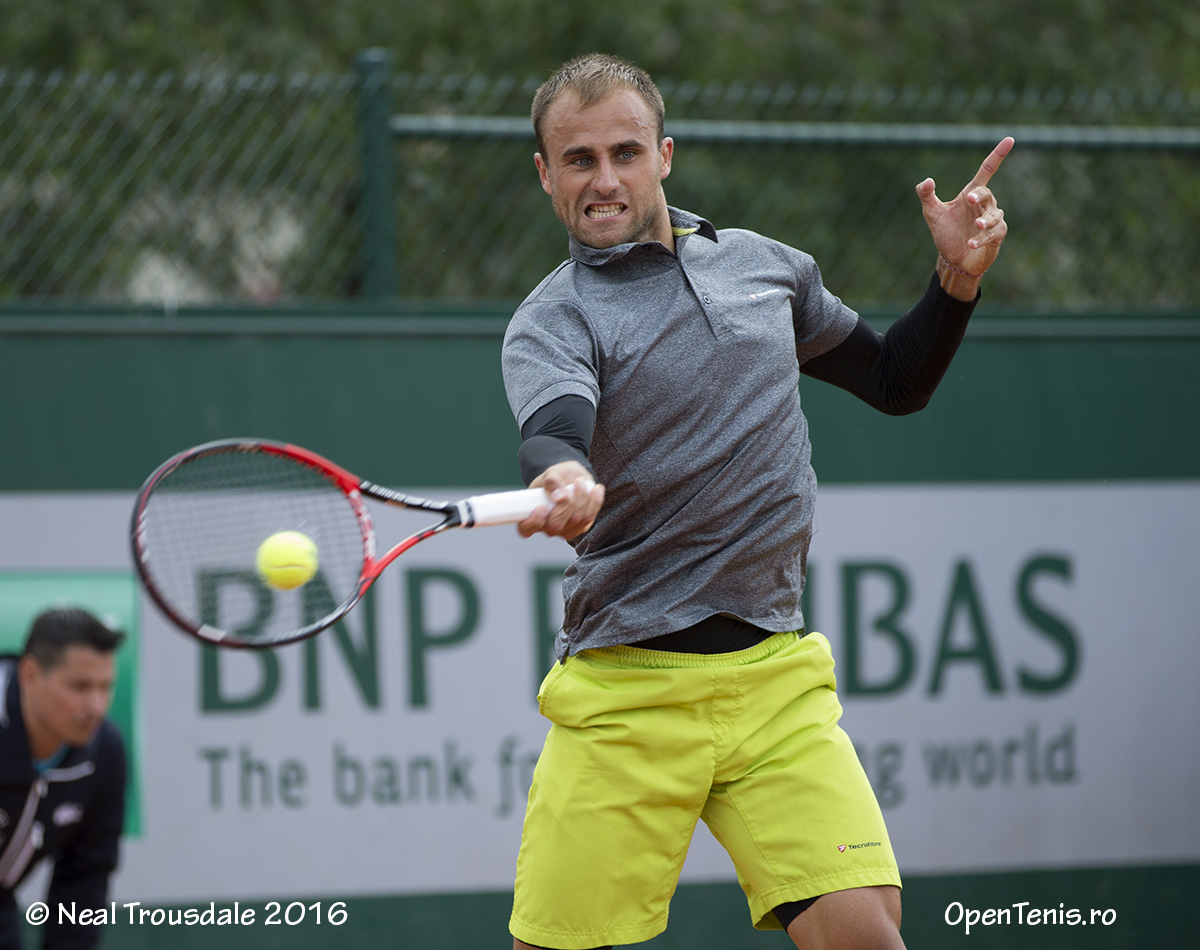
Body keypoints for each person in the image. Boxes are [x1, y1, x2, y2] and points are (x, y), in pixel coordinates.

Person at [501, 53, 1011, 950]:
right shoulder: (554, 319)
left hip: (775, 680)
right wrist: (563, 474)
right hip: (626, 694)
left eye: (625, 152)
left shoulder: (765, 268)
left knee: (866, 935)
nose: (604, 180)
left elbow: (895, 381)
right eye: (579, 160)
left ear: (664, 155)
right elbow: (555, 430)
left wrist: (955, 280)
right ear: (547, 174)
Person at [0, 609, 126, 950]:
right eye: (80, 686)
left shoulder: (105, 751)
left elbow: (84, 878)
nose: (96, 706)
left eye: (105, 687)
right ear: (29, 674)